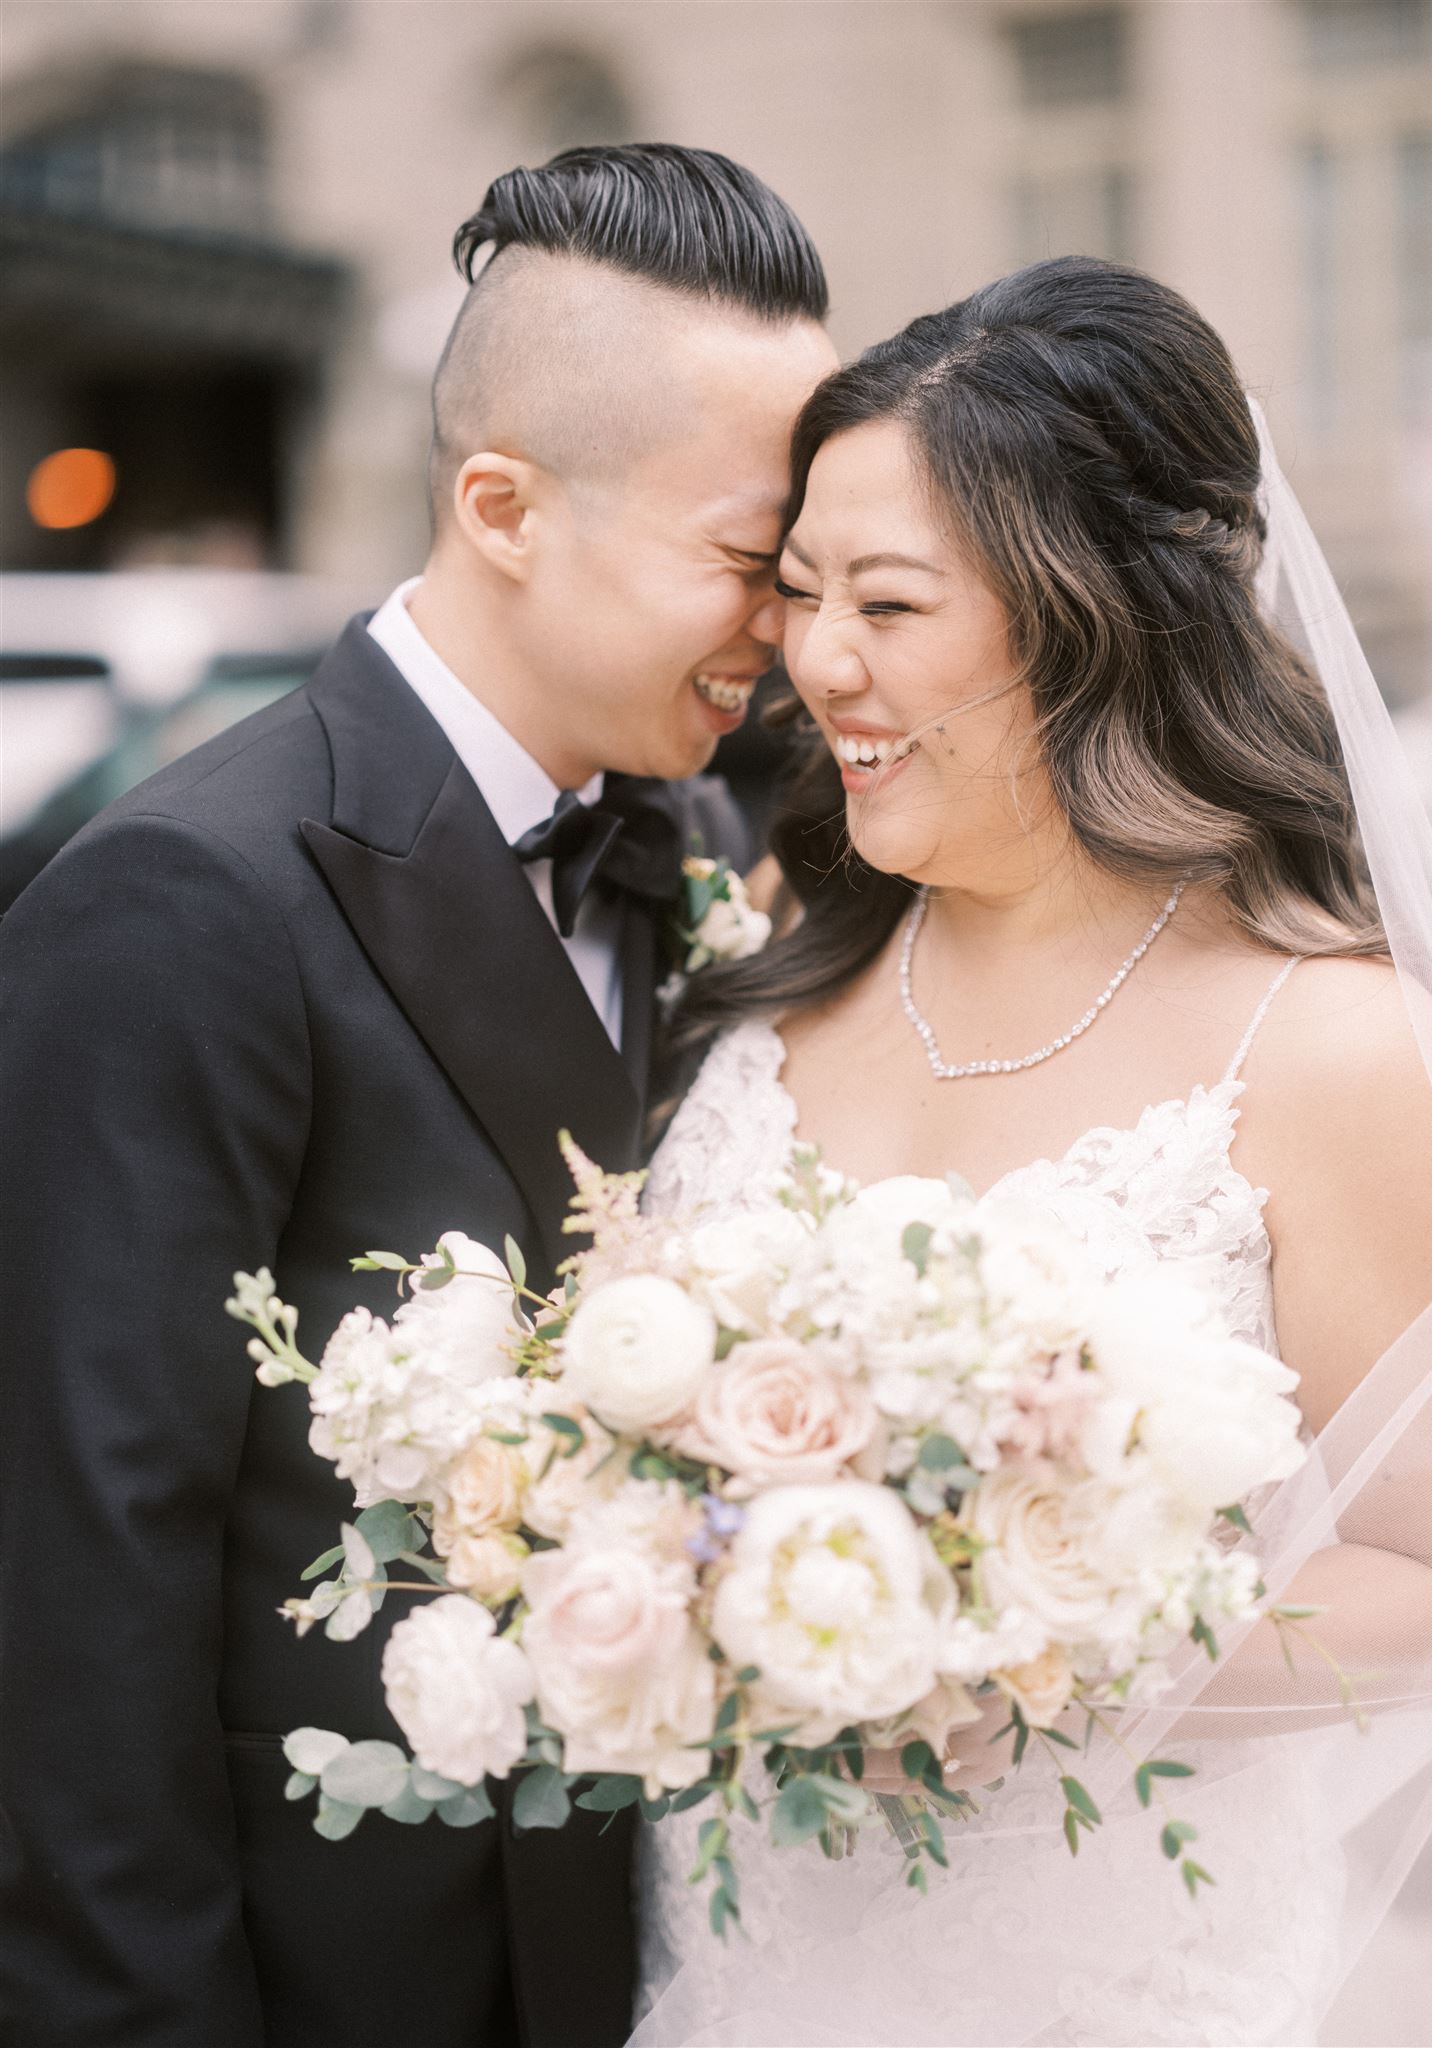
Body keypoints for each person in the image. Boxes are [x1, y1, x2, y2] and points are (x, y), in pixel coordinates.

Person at [632, 258, 1432, 2045]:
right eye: (800, 592)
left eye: (889, 601)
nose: (816, 661)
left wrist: (1032, 1665)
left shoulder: (1331, 1045)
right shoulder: (774, 961)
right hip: (729, 1969)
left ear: (1096, 617)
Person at [0, 144, 836, 2048]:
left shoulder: (708, 837)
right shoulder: (185, 903)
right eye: (744, 563)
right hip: (329, 1966)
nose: (780, 633)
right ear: (503, 505)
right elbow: (71, 1584)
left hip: (647, 1939)